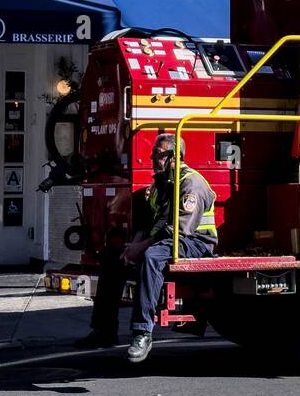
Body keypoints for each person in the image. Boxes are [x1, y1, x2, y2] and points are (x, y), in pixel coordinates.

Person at [76, 132, 218, 362]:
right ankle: (103, 331)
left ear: (175, 157)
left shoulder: (191, 184)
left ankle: (142, 332)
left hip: (195, 243)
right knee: (112, 256)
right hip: (165, 240)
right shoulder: (160, 184)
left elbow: (179, 230)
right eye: (153, 153)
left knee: (152, 256)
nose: (152, 158)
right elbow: (147, 221)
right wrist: (132, 246)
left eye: (158, 154)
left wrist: (141, 248)